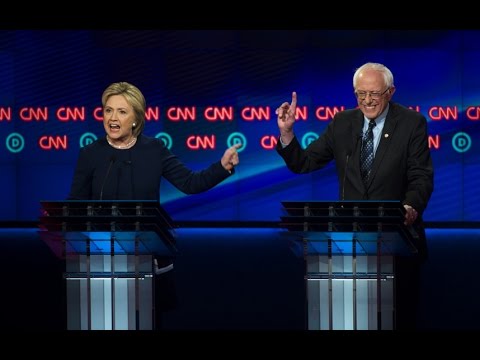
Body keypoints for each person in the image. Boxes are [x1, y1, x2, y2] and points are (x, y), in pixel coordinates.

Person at [68, 81, 241, 329]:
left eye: (121, 111)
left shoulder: (154, 150)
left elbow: (190, 183)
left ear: (136, 119)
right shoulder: (91, 153)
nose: (112, 118)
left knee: (146, 321)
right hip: (102, 257)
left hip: (145, 257)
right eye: (108, 110)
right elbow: (75, 205)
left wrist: (222, 166)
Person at [275, 62, 434, 329]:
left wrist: (410, 206)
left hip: (396, 244)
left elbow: (421, 176)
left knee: (397, 321)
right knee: (349, 322)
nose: (367, 101)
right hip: (348, 247)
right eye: (361, 94)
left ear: (390, 92)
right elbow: (304, 163)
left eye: (374, 94)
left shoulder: (411, 123)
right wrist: (287, 133)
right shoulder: (342, 122)